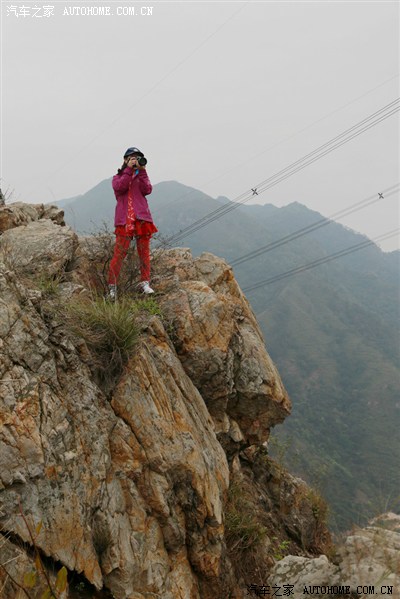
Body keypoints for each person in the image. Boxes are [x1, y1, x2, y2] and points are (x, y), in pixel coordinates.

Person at [107, 147, 158, 299]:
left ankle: (145, 283)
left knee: (144, 253)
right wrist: (128, 170)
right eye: (132, 158)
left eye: (138, 158)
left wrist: (142, 171)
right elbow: (120, 187)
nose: (135, 160)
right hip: (124, 220)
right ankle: (112, 287)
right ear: (125, 160)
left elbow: (147, 189)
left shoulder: (141, 175)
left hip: (141, 219)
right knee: (119, 254)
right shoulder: (118, 177)